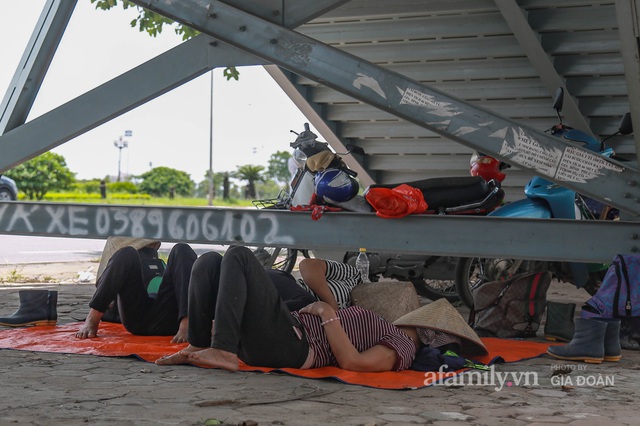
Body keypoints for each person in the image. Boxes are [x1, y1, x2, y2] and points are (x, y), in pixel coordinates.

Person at [156, 245, 419, 372]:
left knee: (240, 256)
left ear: (425, 331)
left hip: (298, 346)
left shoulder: (404, 344)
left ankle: (224, 351)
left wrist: (328, 315)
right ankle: (199, 343)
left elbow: (353, 362)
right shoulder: (389, 328)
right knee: (209, 261)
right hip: (287, 329)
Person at [75, 237, 197, 343]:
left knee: (182, 249)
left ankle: (187, 323)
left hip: (170, 319)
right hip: (138, 320)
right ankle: (92, 319)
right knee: (127, 252)